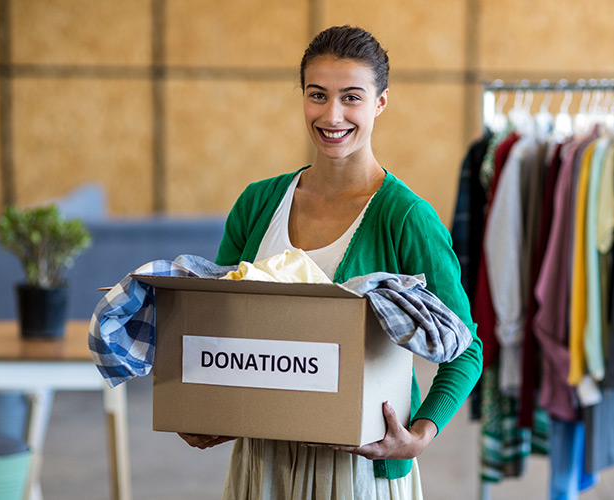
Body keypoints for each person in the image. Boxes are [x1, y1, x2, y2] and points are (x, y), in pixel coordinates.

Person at [178, 25, 483, 499]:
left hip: (359, 469)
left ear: (380, 102)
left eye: (352, 97)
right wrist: (205, 409)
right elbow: (217, 321)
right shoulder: (258, 203)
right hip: (263, 462)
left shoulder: (406, 218)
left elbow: (465, 348)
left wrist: (420, 434)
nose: (332, 115)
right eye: (317, 95)